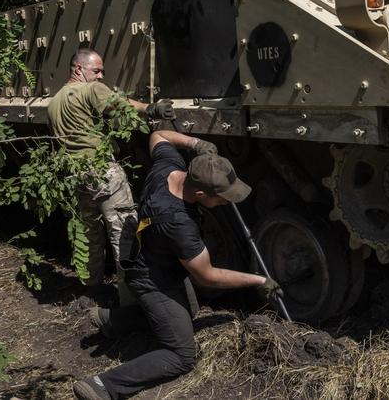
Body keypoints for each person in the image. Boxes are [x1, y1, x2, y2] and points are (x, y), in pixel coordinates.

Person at [71, 130, 282, 400]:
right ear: (201, 191)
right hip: (151, 278)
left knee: (190, 310)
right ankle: (104, 385)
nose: (226, 202)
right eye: (222, 197)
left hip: (153, 258)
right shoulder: (178, 223)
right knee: (182, 354)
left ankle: (112, 320)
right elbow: (208, 276)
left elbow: (159, 135)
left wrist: (197, 143)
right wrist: (259, 280)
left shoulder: (168, 169)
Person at [47, 48, 174, 285]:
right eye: (96, 70)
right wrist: (150, 108)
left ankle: (91, 288)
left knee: (88, 236)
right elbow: (119, 104)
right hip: (103, 173)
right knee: (124, 233)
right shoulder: (91, 89)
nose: (100, 76)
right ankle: (133, 296)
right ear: (78, 69)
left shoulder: (54, 103)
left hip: (75, 176)